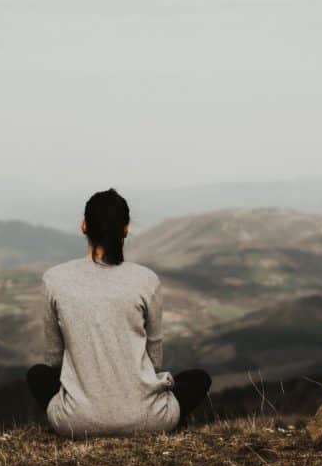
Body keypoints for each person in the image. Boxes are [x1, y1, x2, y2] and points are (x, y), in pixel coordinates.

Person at [26, 187, 211, 437]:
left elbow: (54, 360)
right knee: (198, 378)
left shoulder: (54, 279)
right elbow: (154, 360)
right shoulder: (146, 279)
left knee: (37, 375)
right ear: (126, 229)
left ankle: (85, 414)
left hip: (76, 422)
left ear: (83, 226)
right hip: (149, 420)